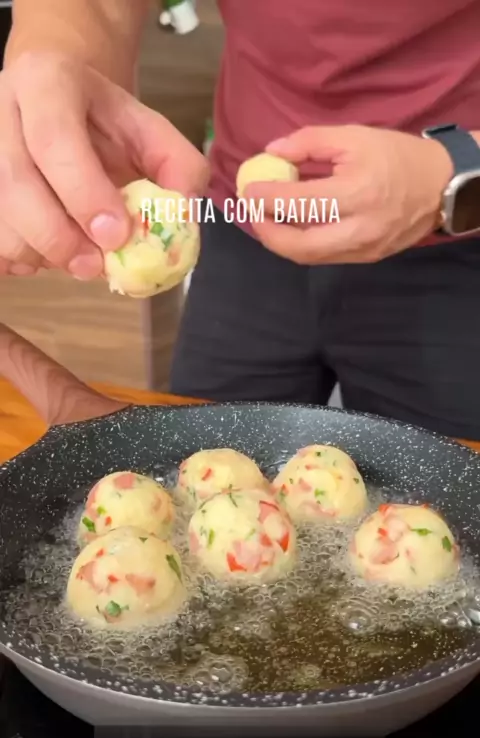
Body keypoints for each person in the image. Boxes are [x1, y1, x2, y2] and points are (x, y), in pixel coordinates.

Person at [2, 0, 480, 439]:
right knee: (196, 461)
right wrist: (56, 58)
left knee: (445, 484)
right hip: (241, 231)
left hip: (451, 241)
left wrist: (457, 172)